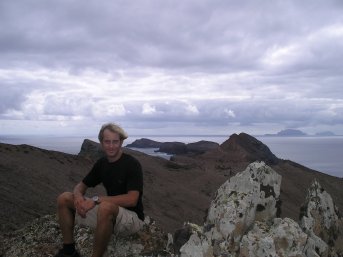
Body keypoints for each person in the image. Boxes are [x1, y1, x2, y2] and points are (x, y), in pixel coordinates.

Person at [54, 123, 144, 257]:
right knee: (65, 198)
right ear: (101, 143)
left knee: (105, 207)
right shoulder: (102, 164)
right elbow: (81, 185)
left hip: (131, 220)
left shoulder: (132, 164)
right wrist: (78, 196)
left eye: (115, 142)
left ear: (121, 142)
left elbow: (132, 200)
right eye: (107, 142)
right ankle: (69, 250)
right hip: (109, 216)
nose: (111, 146)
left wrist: (96, 200)